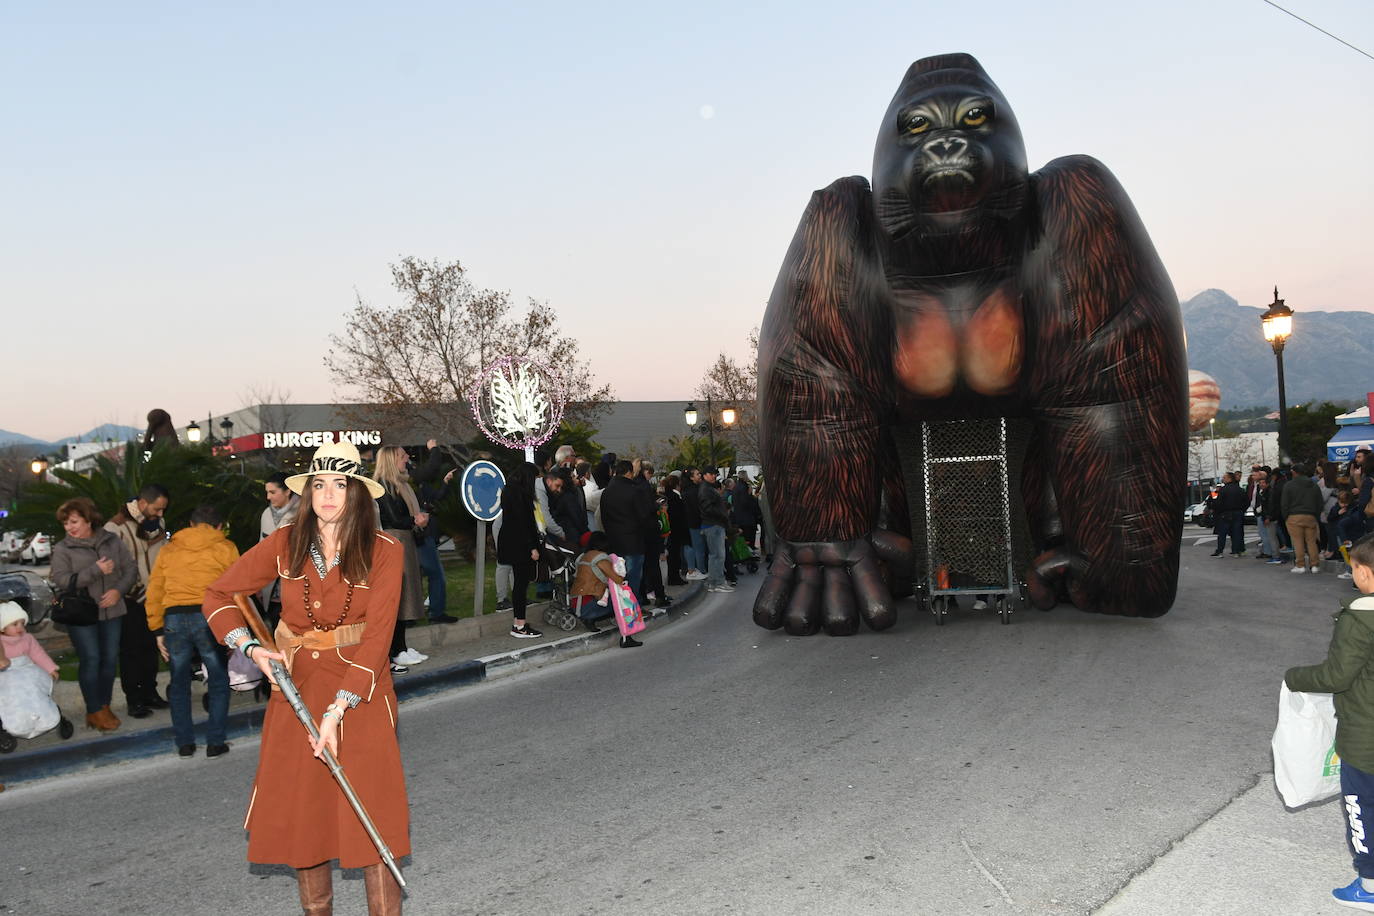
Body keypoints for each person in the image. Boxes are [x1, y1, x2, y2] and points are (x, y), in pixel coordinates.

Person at [200, 440, 409, 914]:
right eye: (320, 484)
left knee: (372, 814)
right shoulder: (285, 541)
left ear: (357, 492)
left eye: (340, 484)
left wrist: (339, 709)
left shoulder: (384, 550)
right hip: (295, 692)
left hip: (360, 692)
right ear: (308, 491)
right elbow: (217, 594)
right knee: (306, 816)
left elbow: (378, 641)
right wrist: (252, 649)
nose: (329, 494)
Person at [1284, 535, 1374, 911]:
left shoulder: (1361, 618)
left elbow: (1338, 675)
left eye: (1353, 568)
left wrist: (1295, 677)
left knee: (1362, 805)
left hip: (1366, 738)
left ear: (1364, 573)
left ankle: (1369, 886)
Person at [146, 504, 240, 758]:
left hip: (174, 617)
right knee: (219, 681)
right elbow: (237, 590)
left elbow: (154, 590)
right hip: (210, 616)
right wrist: (234, 630)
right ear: (220, 526)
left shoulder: (168, 550)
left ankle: (185, 744)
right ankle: (215, 742)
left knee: (179, 682)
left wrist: (156, 630)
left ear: (190, 524)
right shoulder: (226, 548)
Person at [49, 497, 136, 732]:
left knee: (109, 660)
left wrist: (118, 591)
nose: (69, 527)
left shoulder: (112, 540)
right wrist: (95, 571)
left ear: (89, 519)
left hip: (113, 610)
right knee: (92, 659)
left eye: (74, 521)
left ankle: (104, 706)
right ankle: (93, 709)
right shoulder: (62, 548)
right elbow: (61, 579)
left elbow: (130, 569)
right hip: (81, 614)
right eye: (66, 523)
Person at [106, 483, 170, 718]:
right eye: (157, 509)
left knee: (152, 646)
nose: (161, 515)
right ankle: (134, 699)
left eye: (163, 510)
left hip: (155, 597)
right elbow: (111, 567)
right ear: (142, 504)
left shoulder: (158, 524)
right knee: (131, 651)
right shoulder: (115, 527)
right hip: (130, 598)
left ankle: (150, 693)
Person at [373, 446, 428, 670]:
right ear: (391, 460)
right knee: (398, 598)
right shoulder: (383, 487)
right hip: (394, 542)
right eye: (402, 456)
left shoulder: (399, 484)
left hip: (403, 541)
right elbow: (395, 519)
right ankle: (396, 651)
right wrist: (416, 520)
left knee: (405, 596)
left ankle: (401, 647)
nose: (407, 458)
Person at [0, 601, 68, 740]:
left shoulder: (27, 639)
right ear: (2, 628)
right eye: (14, 624)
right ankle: (16, 722)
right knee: (10, 698)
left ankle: (43, 718)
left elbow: (38, 654)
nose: (20, 627)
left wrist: (50, 668)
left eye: (22, 623)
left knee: (35, 693)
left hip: (27, 672)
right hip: (7, 675)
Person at [409, 439, 459, 625]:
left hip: (424, 534)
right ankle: (431, 612)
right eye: (404, 457)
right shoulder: (408, 480)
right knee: (432, 574)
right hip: (418, 535)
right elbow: (431, 467)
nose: (408, 457)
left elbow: (436, 497)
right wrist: (434, 449)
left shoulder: (417, 485)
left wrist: (445, 483)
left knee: (430, 574)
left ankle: (430, 611)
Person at [496, 462, 545, 639]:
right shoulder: (520, 494)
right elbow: (523, 523)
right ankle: (519, 625)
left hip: (510, 542)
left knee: (519, 584)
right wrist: (532, 546)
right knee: (520, 585)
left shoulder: (509, 491)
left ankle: (519, 623)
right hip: (520, 544)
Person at [570, 532, 641, 647]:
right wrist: (621, 565)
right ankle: (626, 638)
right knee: (625, 603)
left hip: (576, 603)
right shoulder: (600, 558)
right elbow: (618, 579)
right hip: (587, 607)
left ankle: (593, 619)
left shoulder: (583, 556)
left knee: (614, 598)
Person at [600, 460, 651, 598]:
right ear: (629, 473)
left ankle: (619, 607)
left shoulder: (606, 492)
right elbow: (643, 515)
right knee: (633, 577)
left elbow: (603, 516)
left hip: (614, 540)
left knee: (618, 576)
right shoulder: (634, 490)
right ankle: (633, 607)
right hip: (634, 540)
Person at [259, 473, 301, 632]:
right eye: (267, 492)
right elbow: (260, 549)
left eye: (272, 492)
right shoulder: (266, 515)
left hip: (297, 587)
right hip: (272, 591)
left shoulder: (304, 512)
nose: (268, 497)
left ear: (287, 491)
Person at [1281, 462, 1325, 574]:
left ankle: (1300, 565)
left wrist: (1286, 517)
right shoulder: (1313, 485)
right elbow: (1320, 502)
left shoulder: (1289, 485)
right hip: (1310, 516)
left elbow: (1284, 504)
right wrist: (1315, 515)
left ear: (1294, 472)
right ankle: (1314, 565)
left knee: (1298, 541)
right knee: (1311, 542)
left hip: (1294, 516)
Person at [698, 468, 735, 592]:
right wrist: (721, 514)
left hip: (713, 524)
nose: (714, 476)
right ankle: (717, 582)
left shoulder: (707, 488)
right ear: (705, 475)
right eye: (711, 473)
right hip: (714, 524)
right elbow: (707, 508)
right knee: (718, 555)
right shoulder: (706, 489)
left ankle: (714, 582)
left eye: (715, 474)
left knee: (715, 555)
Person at [1208, 472, 1247, 558]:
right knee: (1237, 533)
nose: (1223, 479)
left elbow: (1217, 503)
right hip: (1238, 513)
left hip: (1225, 514)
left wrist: (1217, 509)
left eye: (1224, 477)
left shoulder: (1223, 490)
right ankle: (1236, 551)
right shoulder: (1240, 490)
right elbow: (1246, 501)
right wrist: (1242, 510)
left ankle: (1220, 551)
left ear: (1229, 479)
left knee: (1222, 533)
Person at [680, 467, 707, 580]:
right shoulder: (694, 491)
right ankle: (699, 570)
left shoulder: (685, 490)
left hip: (688, 522)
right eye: (697, 474)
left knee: (690, 546)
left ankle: (692, 569)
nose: (699, 475)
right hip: (695, 523)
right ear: (691, 477)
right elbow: (697, 509)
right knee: (699, 548)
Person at [663, 474, 689, 586]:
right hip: (676, 530)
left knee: (672, 555)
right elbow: (679, 515)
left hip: (670, 530)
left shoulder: (667, 496)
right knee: (675, 555)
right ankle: (674, 578)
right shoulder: (675, 497)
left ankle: (673, 576)